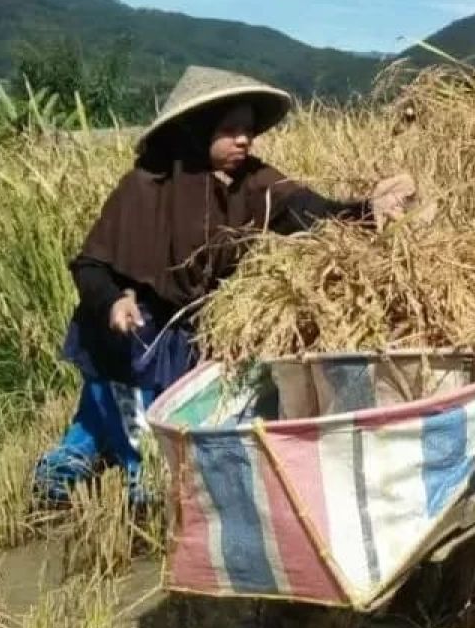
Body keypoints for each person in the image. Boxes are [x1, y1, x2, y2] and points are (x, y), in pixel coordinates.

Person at [33, 65, 420, 505]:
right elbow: (90, 264)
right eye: (231, 130)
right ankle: (94, 483)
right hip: (128, 334)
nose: (244, 140)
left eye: (248, 130)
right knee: (127, 429)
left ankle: (108, 461)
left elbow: (313, 212)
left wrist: (369, 210)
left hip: (186, 334)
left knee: (148, 422)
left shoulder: (254, 182)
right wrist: (112, 302)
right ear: (198, 132)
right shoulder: (146, 186)